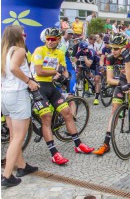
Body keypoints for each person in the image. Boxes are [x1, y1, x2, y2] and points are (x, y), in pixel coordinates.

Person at [31, 27, 94, 165]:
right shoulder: (39, 51)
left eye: (53, 39)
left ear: (58, 40)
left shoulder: (60, 53)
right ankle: (54, 153)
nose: (50, 41)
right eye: (48, 39)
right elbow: (39, 71)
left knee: (67, 113)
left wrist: (64, 76)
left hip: (52, 87)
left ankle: (78, 144)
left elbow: (64, 71)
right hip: (40, 87)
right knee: (46, 118)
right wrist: (55, 72)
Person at [93, 34, 130, 155]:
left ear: (124, 48)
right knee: (114, 110)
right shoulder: (110, 57)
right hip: (122, 80)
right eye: (112, 48)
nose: (113, 51)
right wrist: (120, 83)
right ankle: (106, 143)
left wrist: (127, 60)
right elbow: (109, 79)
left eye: (116, 48)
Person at [1, 25, 39, 187]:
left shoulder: (4, 52)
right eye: (23, 33)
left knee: (13, 135)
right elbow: (14, 68)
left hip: (5, 96)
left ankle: (22, 165)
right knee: (18, 137)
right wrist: (29, 81)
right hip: (17, 95)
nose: (25, 36)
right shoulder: (19, 51)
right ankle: (7, 175)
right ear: (18, 35)